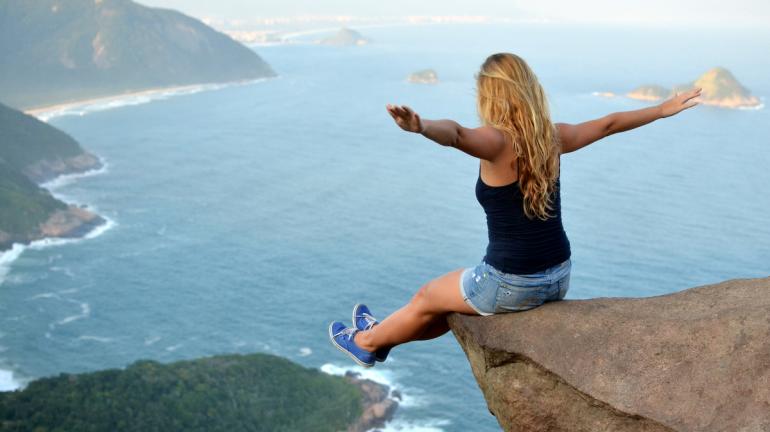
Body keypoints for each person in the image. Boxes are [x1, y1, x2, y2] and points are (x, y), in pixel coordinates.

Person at [328, 52, 701, 368]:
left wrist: (421, 126)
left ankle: (365, 342)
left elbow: (455, 133)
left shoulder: (494, 141)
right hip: (558, 277)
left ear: (491, 96)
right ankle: (382, 337)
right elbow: (608, 124)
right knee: (443, 307)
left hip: (510, 284)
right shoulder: (551, 137)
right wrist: (662, 109)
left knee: (427, 297)